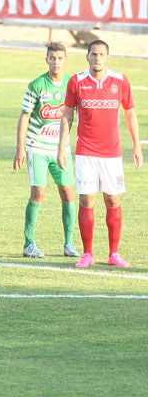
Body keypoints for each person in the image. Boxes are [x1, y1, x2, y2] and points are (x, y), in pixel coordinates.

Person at [58, 40, 143, 268]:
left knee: (113, 199)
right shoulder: (77, 81)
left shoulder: (120, 80)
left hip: (112, 153)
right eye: (94, 54)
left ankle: (114, 253)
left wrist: (136, 146)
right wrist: (62, 147)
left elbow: (130, 112)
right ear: (87, 56)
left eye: (101, 54)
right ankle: (88, 253)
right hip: (86, 151)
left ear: (108, 58)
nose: (97, 58)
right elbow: (67, 115)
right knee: (86, 199)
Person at [14, 42, 78, 258]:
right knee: (38, 192)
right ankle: (29, 244)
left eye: (59, 58)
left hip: (62, 149)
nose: (56, 62)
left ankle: (69, 244)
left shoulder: (72, 83)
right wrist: (20, 148)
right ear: (47, 60)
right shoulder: (37, 85)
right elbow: (24, 116)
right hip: (37, 147)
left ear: (65, 60)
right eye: (52, 58)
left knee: (68, 192)